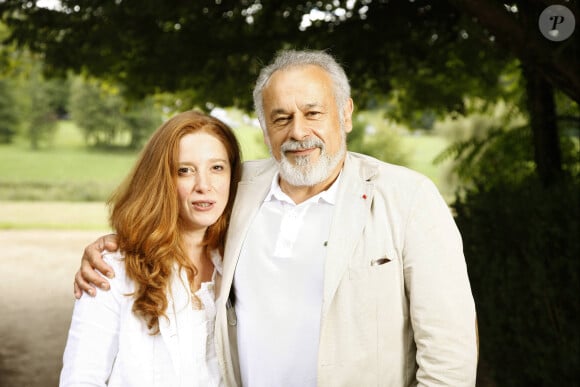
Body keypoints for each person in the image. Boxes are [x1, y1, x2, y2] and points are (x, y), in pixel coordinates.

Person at [74, 50, 478, 386]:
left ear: (346, 114)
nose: (298, 132)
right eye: (281, 117)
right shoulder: (239, 186)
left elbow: (449, 352)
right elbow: (177, 211)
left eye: (313, 113)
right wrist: (114, 247)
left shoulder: (408, 198)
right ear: (265, 128)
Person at [60, 110, 242, 386]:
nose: (204, 186)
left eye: (217, 167)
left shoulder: (239, 261)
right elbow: (81, 378)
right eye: (185, 171)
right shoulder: (113, 267)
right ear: (162, 180)